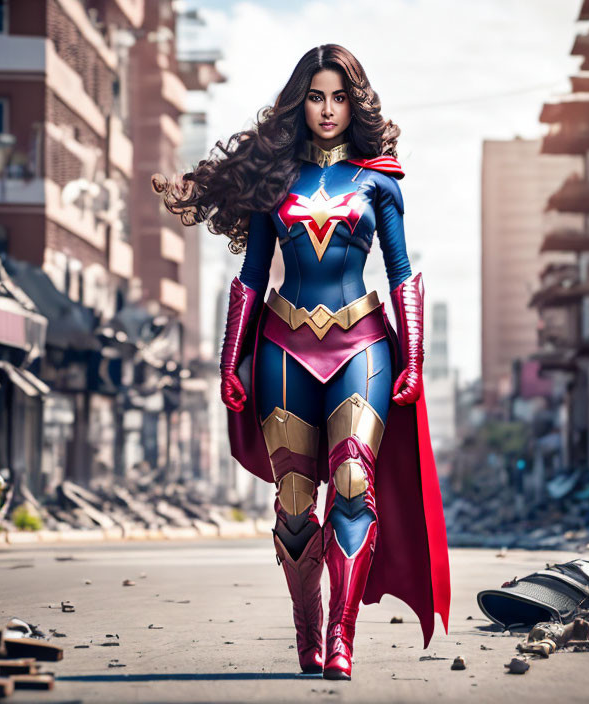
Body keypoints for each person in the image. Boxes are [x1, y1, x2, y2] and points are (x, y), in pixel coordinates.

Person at [153, 44, 449, 681]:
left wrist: (415, 357)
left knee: (352, 482)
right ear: (300, 102)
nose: (327, 108)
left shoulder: (380, 183)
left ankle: (342, 636)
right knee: (293, 499)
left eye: (339, 96)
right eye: (316, 96)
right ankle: (308, 630)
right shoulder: (274, 182)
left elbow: (402, 276)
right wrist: (229, 360)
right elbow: (251, 278)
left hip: (362, 345)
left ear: (355, 104)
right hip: (284, 345)